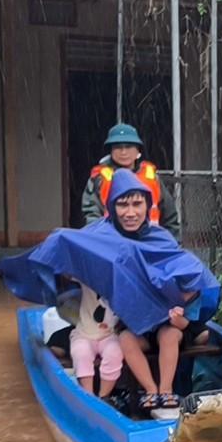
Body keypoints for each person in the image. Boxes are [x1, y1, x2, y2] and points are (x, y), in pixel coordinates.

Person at [102, 169, 208, 412]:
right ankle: (149, 389)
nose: (130, 213)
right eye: (122, 204)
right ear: (112, 206)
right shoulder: (102, 237)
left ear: (147, 205)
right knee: (125, 338)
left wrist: (181, 317)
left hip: (167, 323)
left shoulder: (161, 238)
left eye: (137, 204)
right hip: (132, 323)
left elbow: (187, 279)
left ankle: (166, 390)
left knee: (171, 334)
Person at [81, 122, 181, 237]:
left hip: (150, 242)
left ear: (138, 150)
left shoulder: (152, 177)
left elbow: (170, 218)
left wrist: (172, 245)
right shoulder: (99, 178)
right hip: (112, 243)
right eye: (118, 147)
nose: (124, 152)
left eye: (128, 147)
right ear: (111, 150)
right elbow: (91, 217)